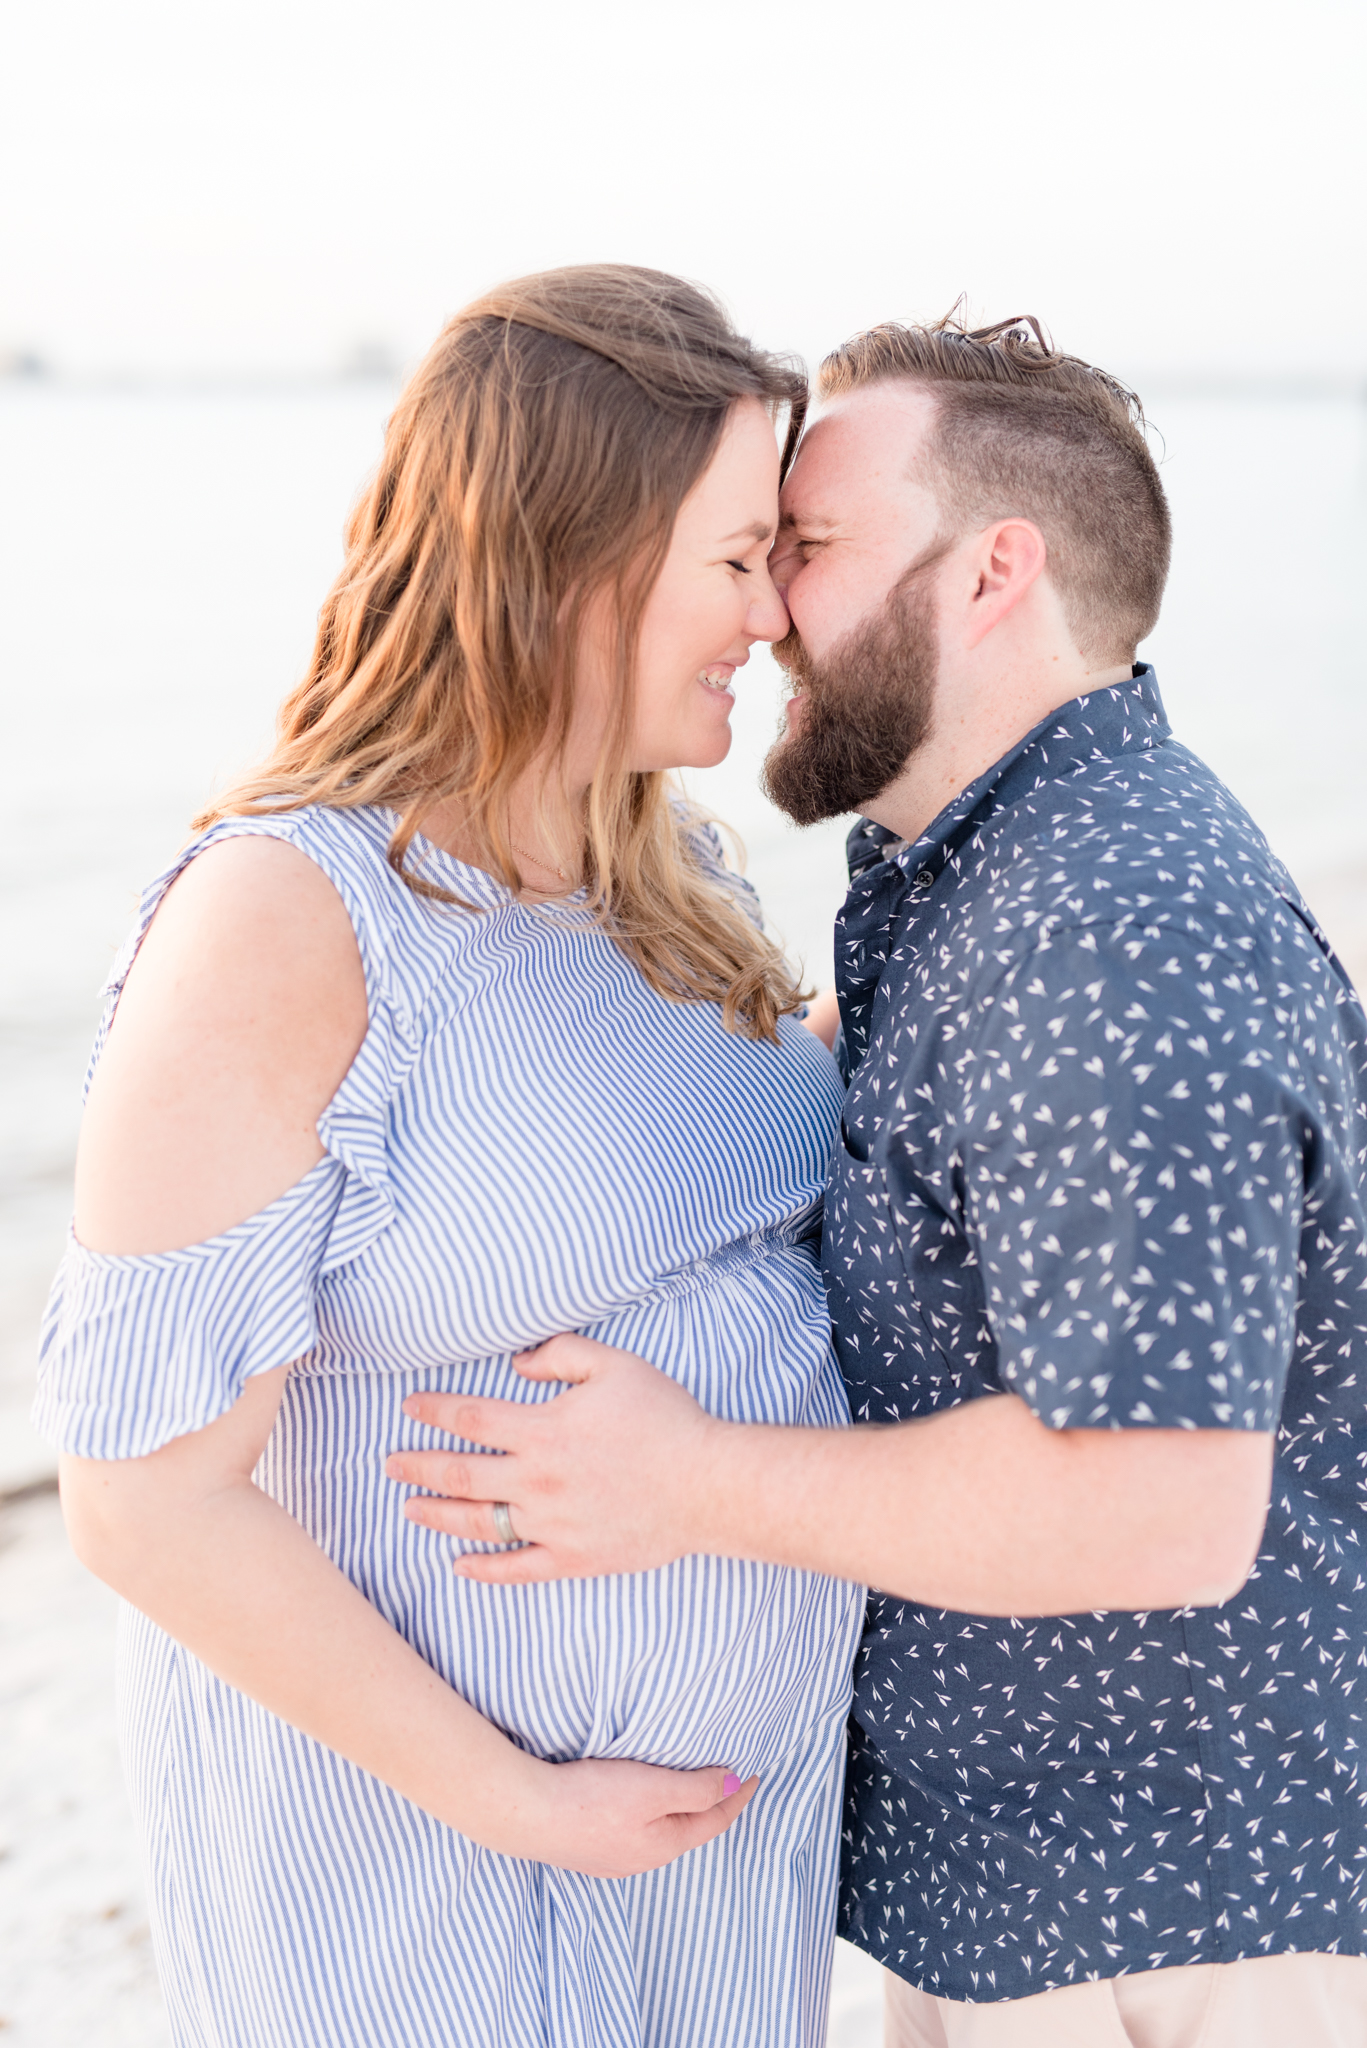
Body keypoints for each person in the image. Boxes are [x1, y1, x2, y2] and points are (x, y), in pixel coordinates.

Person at [410, 315, 1367, 2045]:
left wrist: (684, 1479)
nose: (766, 606)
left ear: (997, 569)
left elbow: (1158, 1504)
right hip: (1025, 1890)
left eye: (811, 550)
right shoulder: (973, 870)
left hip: (1165, 1930)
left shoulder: (1113, 937)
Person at [35, 265, 867, 2048]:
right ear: (569, 561)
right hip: (437, 1877)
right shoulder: (289, 915)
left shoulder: (670, 868)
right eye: (734, 559)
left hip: (721, 1851)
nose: (773, 618)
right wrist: (524, 1802)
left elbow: (690, 1176)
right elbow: (142, 1498)